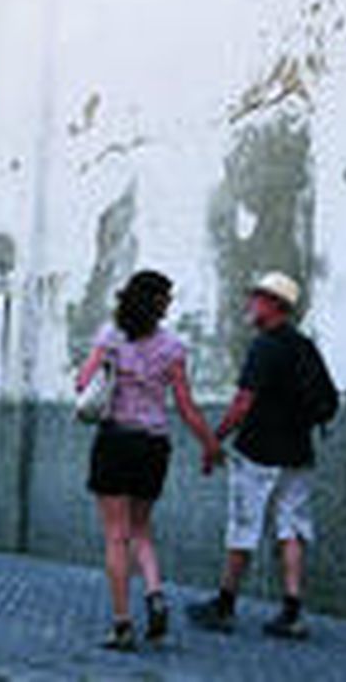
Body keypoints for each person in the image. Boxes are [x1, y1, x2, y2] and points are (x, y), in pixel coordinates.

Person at [188, 270, 339, 640]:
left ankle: (224, 605)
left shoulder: (265, 346)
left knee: (243, 525)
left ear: (273, 305)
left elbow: (242, 403)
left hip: (258, 452)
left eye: (256, 298)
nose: (249, 304)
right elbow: (328, 399)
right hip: (298, 454)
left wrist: (214, 438)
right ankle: (291, 611)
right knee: (291, 528)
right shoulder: (304, 346)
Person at [75, 269, 220, 651]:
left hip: (115, 440)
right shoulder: (173, 348)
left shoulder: (110, 338)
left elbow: (82, 384)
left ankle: (122, 625)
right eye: (167, 299)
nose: (170, 305)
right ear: (157, 304)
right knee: (141, 529)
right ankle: (154, 593)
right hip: (153, 445)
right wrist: (209, 443)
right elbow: (185, 405)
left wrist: (105, 367)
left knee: (115, 536)